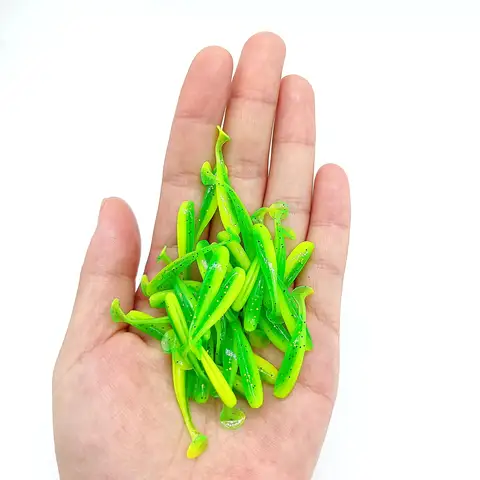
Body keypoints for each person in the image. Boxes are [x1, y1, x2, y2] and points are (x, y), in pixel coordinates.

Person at [52, 32, 351, 479]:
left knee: (248, 311)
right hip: (208, 320)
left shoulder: (238, 279)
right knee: (234, 311)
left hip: (224, 307)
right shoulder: (194, 293)